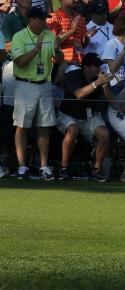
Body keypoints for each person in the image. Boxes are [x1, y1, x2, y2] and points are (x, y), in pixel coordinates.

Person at [11, 6, 59, 180]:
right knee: (22, 126)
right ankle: (22, 166)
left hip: (44, 85)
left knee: (44, 126)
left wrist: (59, 50)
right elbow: (21, 62)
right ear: (31, 20)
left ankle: (44, 167)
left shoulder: (50, 35)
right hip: (25, 85)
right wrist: (36, 50)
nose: (45, 22)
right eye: (41, 19)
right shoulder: (19, 37)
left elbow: (59, 59)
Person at [55, 51, 111, 180]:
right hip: (67, 114)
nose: (99, 68)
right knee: (73, 128)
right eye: (96, 66)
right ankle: (64, 169)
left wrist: (105, 87)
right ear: (86, 67)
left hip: (88, 116)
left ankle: (96, 169)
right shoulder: (74, 75)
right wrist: (96, 83)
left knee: (104, 134)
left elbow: (111, 101)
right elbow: (79, 94)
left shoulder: (99, 78)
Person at [46, 0, 87, 68]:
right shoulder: (53, 18)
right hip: (62, 67)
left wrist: (87, 37)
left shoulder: (80, 18)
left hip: (79, 64)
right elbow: (52, 44)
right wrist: (71, 30)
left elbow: (84, 44)